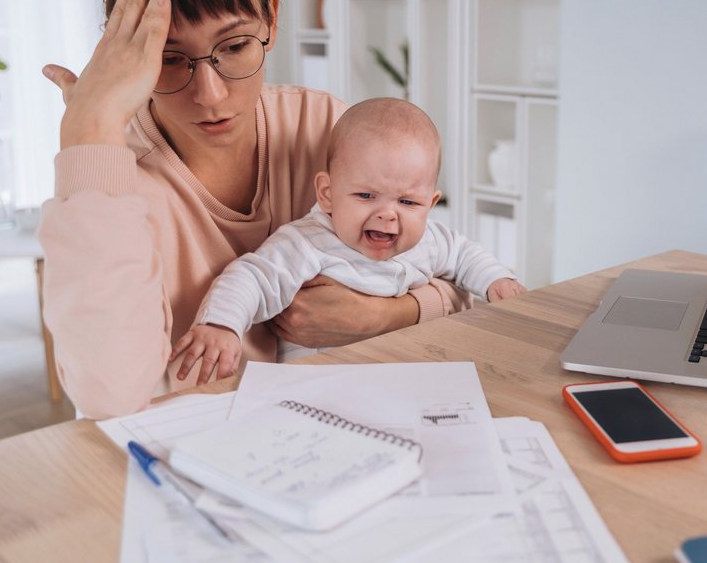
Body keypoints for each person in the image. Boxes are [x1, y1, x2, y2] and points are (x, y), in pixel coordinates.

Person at [37, 0, 470, 419]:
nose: (211, 93)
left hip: (336, 419)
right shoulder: (108, 176)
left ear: (272, 17)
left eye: (236, 46)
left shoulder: (326, 128)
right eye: (170, 59)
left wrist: (385, 315)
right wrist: (90, 129)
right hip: (192, 441)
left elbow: (457, 277)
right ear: (123, 50)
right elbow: (108, 398)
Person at [171, 98, 527, 384]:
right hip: (315, 385)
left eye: (407, 202)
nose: (389, 214)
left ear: (430, 204)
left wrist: (498, 280)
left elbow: (466, 256)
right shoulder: (309, 243)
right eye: (366, 196)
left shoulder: (430, 240)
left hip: (404, 377)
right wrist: (221, 325)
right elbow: (253, 277)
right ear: (327, 194)